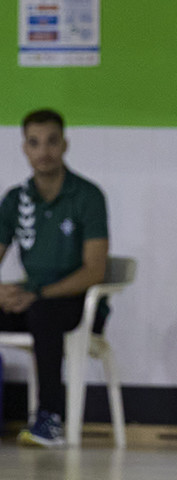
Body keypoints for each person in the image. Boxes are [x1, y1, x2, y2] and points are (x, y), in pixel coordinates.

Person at [0, 109, 109, 447]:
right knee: (34, 310)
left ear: (64, 145)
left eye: (51, 141)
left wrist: (40, 293)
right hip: (31, 299)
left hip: (77, 305)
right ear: (24, 148)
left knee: (43, 314)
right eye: (34, 143)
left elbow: (94, 270)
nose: (43, 151)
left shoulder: (88, 196)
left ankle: (50, 418)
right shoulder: (16, 199)